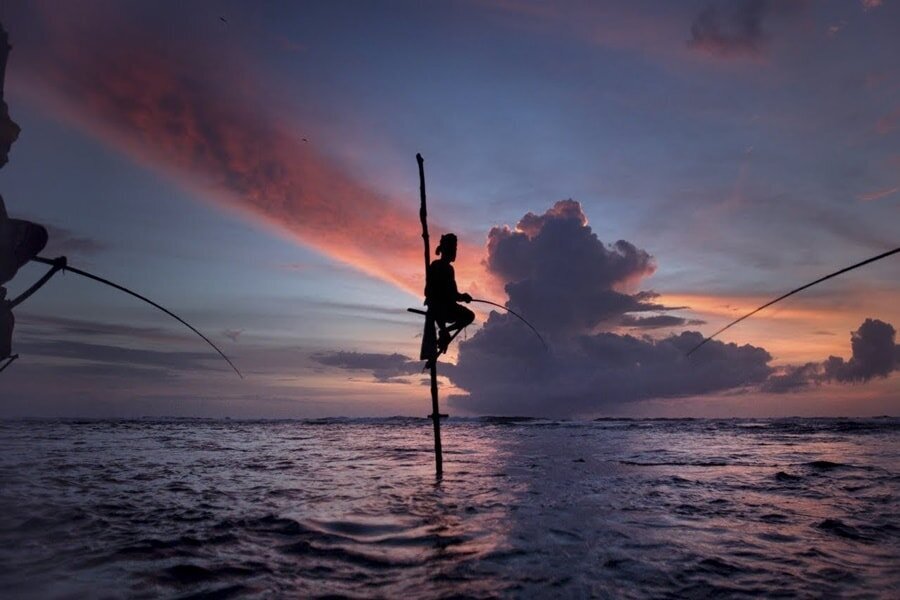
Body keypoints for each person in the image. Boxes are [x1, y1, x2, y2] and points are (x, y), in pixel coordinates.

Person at [425, 233, 474, 354]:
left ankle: (444, 331)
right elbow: (430, 292)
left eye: (455, 249)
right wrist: (460, 297)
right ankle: (444, 331)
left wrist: (462, 297)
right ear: (446, 250)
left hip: (448, 307)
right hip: (439, 308)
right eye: (453, 249)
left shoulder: (450, 269)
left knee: (469, 316)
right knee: (467, 316)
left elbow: (453, 294)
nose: (455, 252)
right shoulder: (436, 266)